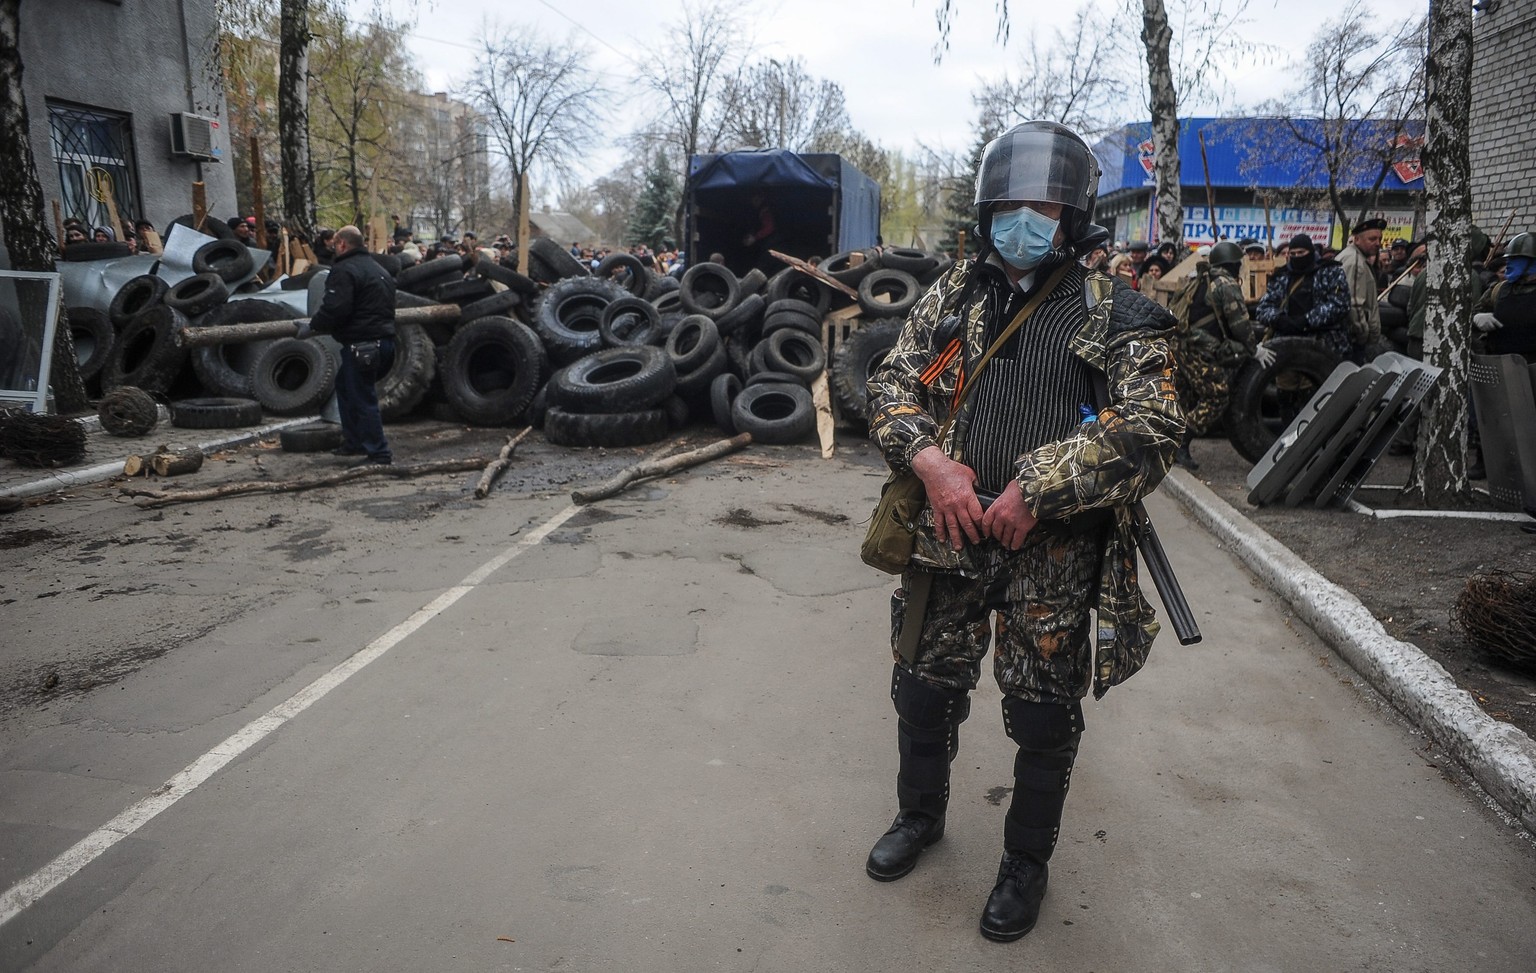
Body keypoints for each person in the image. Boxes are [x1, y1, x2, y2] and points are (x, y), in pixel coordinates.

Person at [864, 120, 1183, 944]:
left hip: (1055, 550)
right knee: (923, 689)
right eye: (1008, 205)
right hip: (949, 533)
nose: (1022, 220)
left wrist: (1035, 491)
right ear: (985, 210)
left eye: (1042, 206)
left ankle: (1025, 862)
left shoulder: (1119, 311)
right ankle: (919, 815)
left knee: (1042, 712)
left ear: (1074, 215)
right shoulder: (955, 293)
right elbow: (892, 381)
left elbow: (1154, 426)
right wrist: (933, 462)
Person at [298, 225, 396, 465]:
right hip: (384, 344)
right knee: (346, 387)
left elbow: (335, 308)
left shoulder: (344, 269)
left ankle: (379, 452)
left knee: (363, 398)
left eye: (334, 244)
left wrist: (312, 327)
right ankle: (355, 441)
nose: (332, 248)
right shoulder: (378, 268)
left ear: (342, 244)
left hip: (362, 346)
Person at [1169, 241, 1255, 469]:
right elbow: (1240, 324)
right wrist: (1253, 348)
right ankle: (1182, 444)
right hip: (1198, 348)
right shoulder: (1226, 283)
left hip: (1180, 345)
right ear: (1234, 265)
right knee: (1217, 395)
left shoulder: (1198, 279)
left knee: (1184, 398)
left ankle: (1169, 447)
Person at [1254, 233, 1351, 362]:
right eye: (1293, 254)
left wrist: (1307, 320)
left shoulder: (1330, 272)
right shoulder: (1282, 276)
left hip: (1323, 344)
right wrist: (1279, 319)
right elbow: (1263, 308)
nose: (1297, 257)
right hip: (1286, 346)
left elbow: (1340, 304)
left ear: (1310, 252)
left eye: (1301, 253)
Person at [1337, 217, 1386, 360]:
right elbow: (1354, 303)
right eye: (1372, 239)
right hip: (1352, 338)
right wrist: (1363, 334)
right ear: (1357, 239)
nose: (1378, 244)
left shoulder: (1353, 257)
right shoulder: (1355, 262)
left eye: (1379, 239)